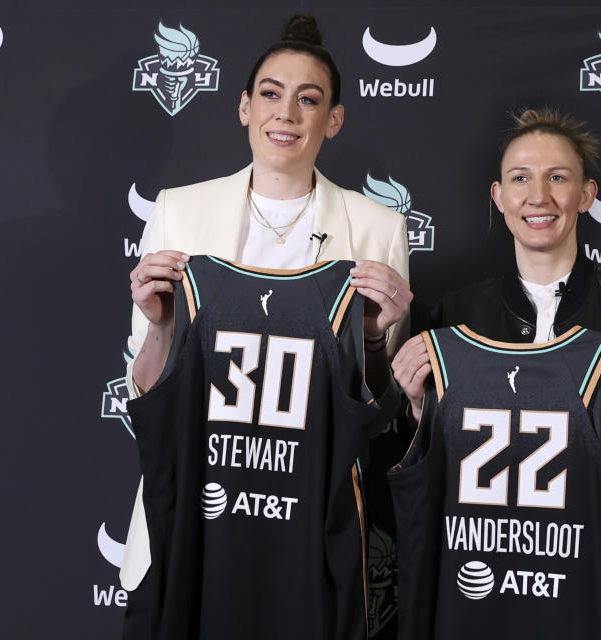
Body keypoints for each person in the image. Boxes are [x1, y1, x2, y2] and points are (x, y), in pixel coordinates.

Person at [119, 13, 412, 611]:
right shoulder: (179, 211)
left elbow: (374, 407)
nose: (286, 114)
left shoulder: (379, 229)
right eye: (271, 95)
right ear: (245, 106)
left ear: (333, 120)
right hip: (196, 510)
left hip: (309, 523)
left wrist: (379, 340)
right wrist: (158, 326)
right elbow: (148, 390)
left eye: (309, 100)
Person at [391, 108, 601, 638]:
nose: (539, 196)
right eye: (520, 179)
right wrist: (418, 409)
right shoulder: (454, 315)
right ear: (498, 196)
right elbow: (425, 472)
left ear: (586, 194)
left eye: (558, 177)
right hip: (478, 583)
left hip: (593, 583)